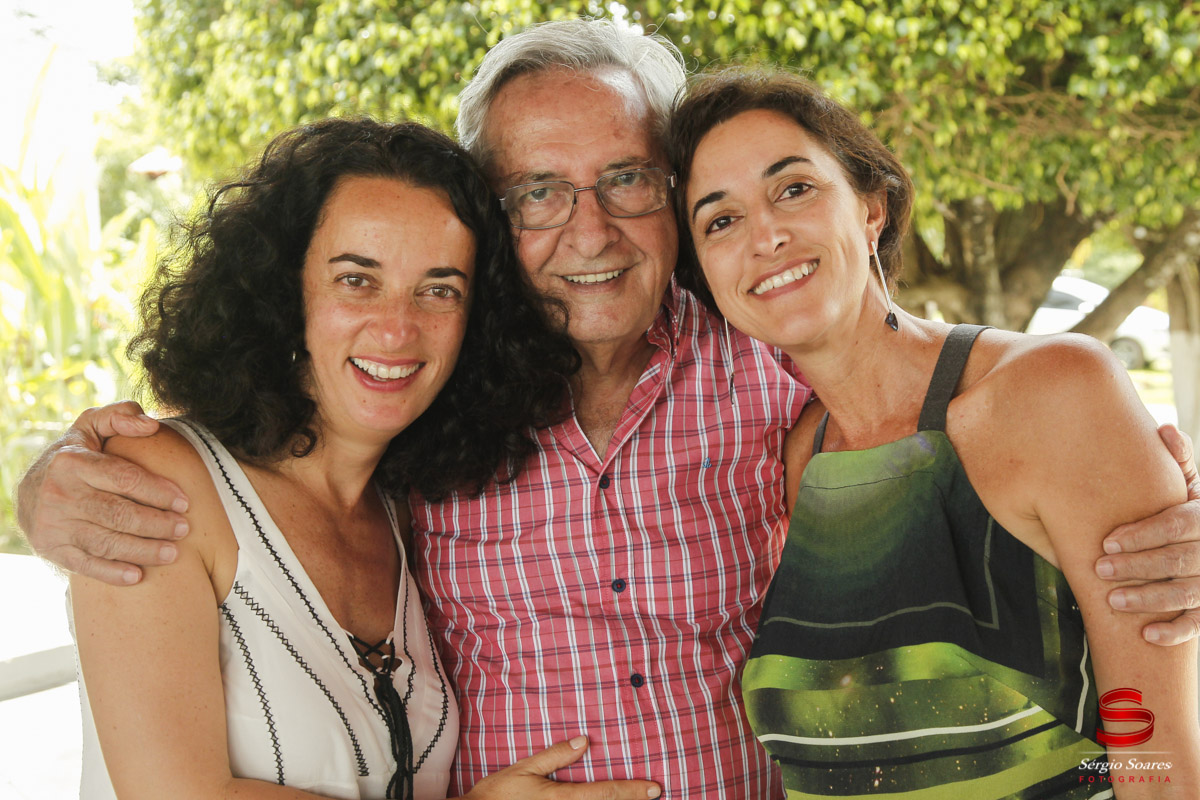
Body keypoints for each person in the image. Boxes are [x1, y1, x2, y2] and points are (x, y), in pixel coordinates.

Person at [15, 18, 1200, 799]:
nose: (589, 231)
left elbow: (976, 428)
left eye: (628, 180)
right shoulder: (427, 389)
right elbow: (262, 436)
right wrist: (60, 482)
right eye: (537, 192)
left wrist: (1159, 508)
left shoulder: (774, 370)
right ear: (488, 210)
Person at [69, 116, 659, 800]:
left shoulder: (405, 516)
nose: (397, 328)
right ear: (284, 291)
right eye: (357, 279)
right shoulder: (157, 481)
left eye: (439, 290)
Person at [668, 67, 1199, 797]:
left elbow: (1159, 764)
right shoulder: (798, 458)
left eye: (794, 188)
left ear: (872, 207)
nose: (766, 236)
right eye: (719, 220)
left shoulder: (1054, 392)